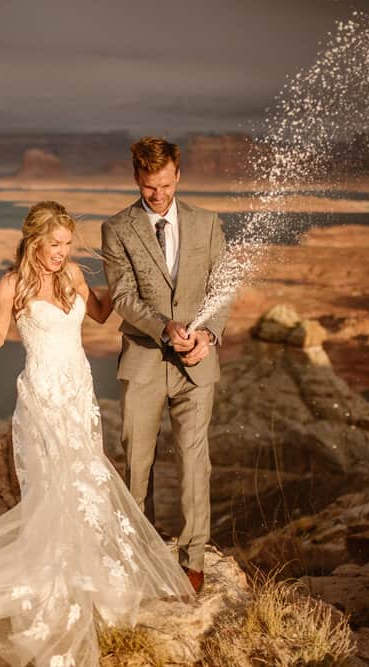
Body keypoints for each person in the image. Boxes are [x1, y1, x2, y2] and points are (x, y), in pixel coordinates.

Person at [0, 201, 194, 667]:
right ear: (35, 240)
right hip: (41, 397)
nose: (62, 252)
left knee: (85, 480)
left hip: (78, 392)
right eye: (55, 244)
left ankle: (85, 571)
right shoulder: (11, 284)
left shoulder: (72, 275)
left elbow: (101, 313)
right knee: (55, 485)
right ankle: (54, 580)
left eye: (67, 244)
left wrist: (126, 280)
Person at [100, 137, 230, 594]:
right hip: (145, 360)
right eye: (149, 186)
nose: (158, 195)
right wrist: (164, 327)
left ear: (178, 175)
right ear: (136, 177)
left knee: (195, 462)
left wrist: (207, 336)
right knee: (138, 461)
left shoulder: (207, 223)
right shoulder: (117, 228)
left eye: (166, 185)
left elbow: (221, 287)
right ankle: (140, 554)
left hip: (197, 363)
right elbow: (122, 296)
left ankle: (193, 559)